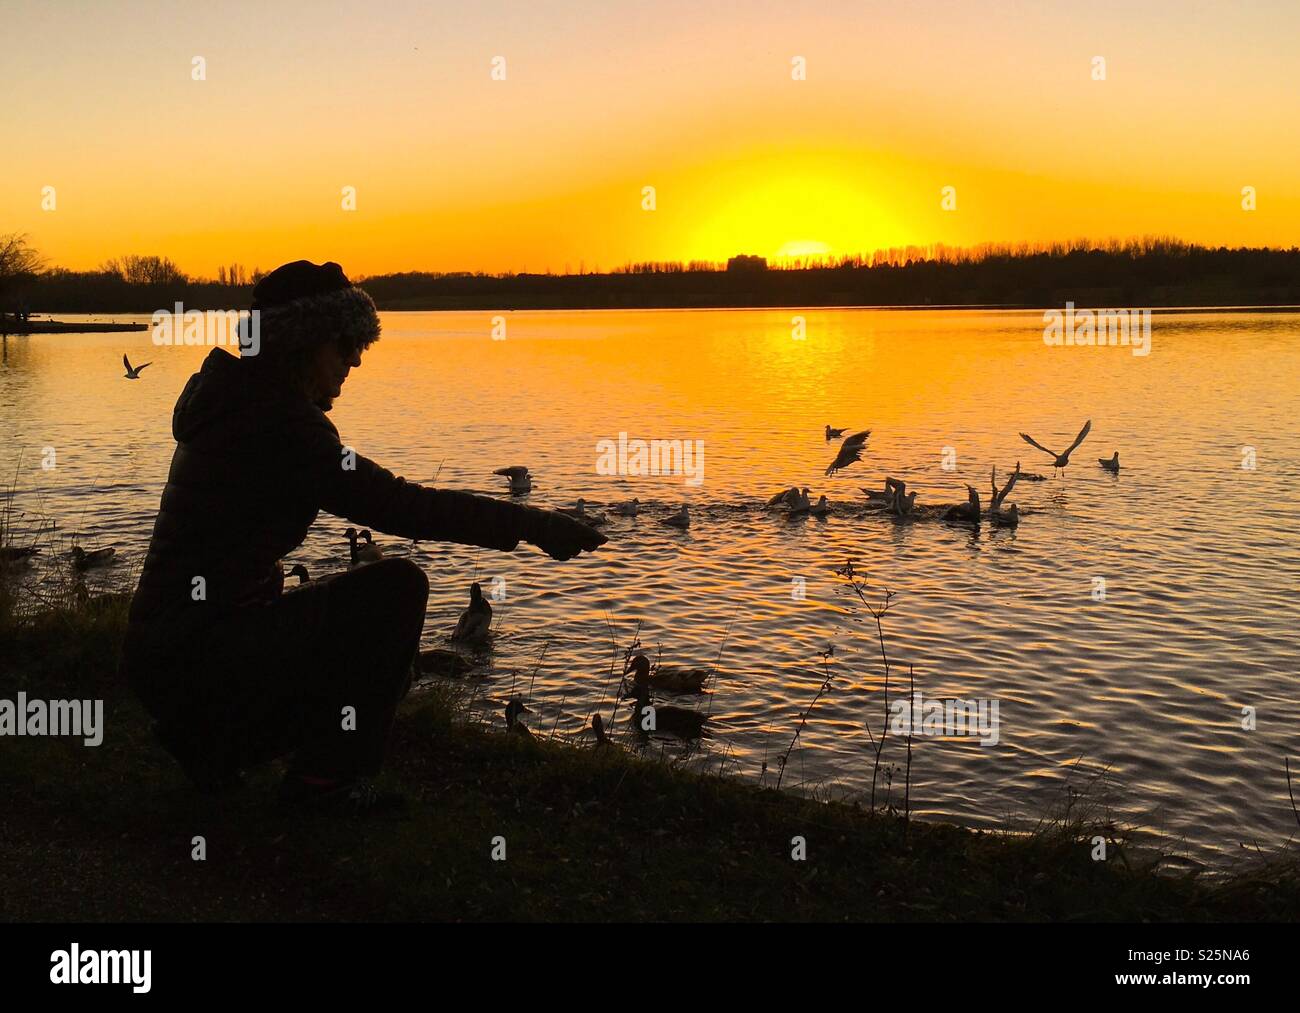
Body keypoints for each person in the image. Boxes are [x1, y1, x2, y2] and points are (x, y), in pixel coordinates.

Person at [119, 261, 606, 814]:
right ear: (301, 344)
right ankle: (324, 785)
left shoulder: (230, 400)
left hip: (166, 651)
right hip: (197, 652)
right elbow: (402, 506)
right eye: (346, 343)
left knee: (331, 603)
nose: (355, 359)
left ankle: (213, 741)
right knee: (394, 590)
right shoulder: (280, 425)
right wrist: (532, 524)